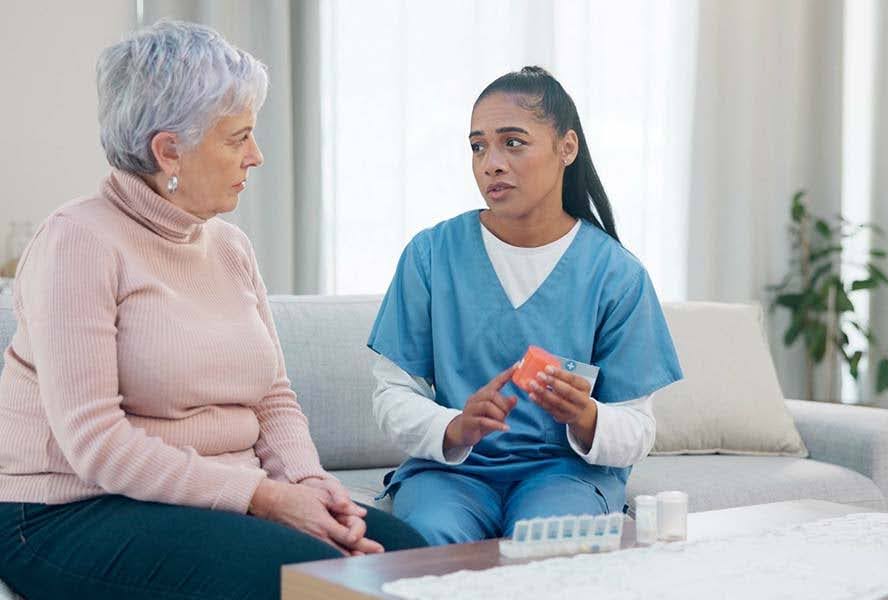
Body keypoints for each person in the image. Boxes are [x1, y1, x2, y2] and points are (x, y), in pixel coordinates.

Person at [0, 20, 424, 600]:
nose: (257, 156)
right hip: (67, 510)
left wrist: (309, 484)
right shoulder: (77, 242)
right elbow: (97, 444)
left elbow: (272, 396)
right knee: (317, 580)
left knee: (420, 562)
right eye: (238, 137)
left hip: (217, 498)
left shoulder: (227, 245)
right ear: (169, 149)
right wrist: (266, 499)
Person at [368, 66, 683, 546]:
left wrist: (586, 416)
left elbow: (638, 427)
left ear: (567, 148)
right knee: (428, 542)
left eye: (512, 142)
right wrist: (454, 424)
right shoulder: (430, 255)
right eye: (478, 146)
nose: (491, 162)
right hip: (451, 475)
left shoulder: (617, 275)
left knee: (549, 545)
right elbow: (393, 394)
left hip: (564, 475)